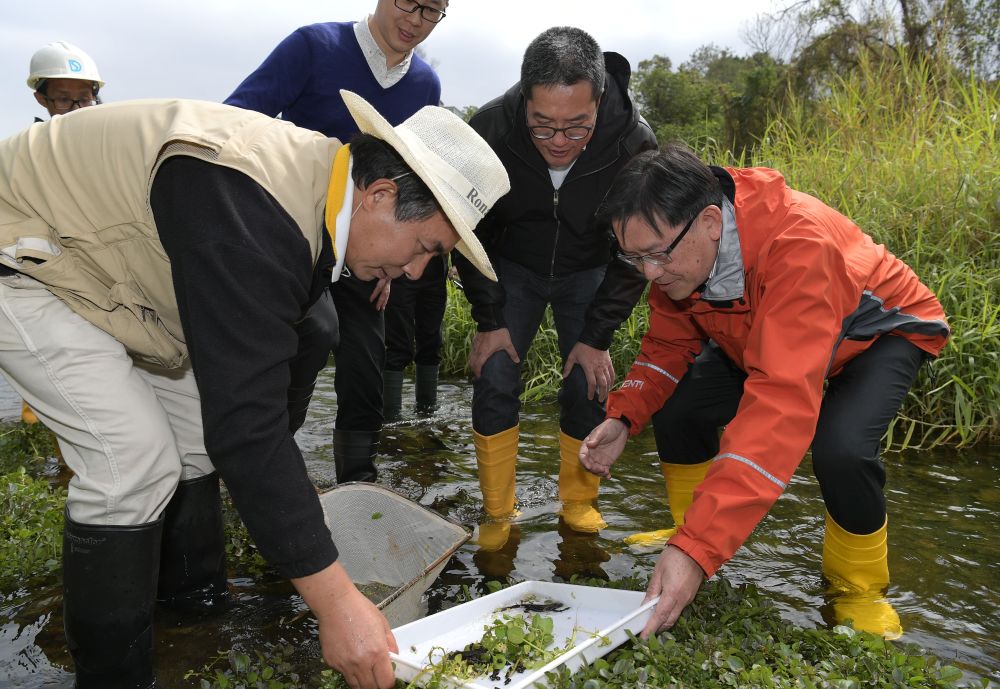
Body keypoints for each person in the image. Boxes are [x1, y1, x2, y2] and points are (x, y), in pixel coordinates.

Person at [0, 91, 508, 689]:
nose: (418, 273)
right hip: (27, 254)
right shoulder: (252, 210)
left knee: (193, 439)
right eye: (424, 249)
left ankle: (192, 617)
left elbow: (253, 404)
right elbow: (249, 428)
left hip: (115, 275)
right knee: (131, 464)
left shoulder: (315, 196)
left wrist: (278, 486)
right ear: (379, 196)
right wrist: (337, 604)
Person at [579, 144, 949, 641]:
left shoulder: (800, 245)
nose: (649, 273)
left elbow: (778, 405)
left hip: (876, 333)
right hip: (765, 334)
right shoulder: (682, 260)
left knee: (842, 450)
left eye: (658, 254)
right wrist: (622, 418)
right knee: (680, 407)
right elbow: (666, 345)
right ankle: (687, 529)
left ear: (711, 221)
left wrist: (699, 549)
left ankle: (859, 589)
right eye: (635, 257)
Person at [225, 0, 449, 482]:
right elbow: (236, 120)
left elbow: (417, 182)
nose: (415, 20)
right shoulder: (314, 46)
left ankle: (358, 481)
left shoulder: (425, 86)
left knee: (367, 363)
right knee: (313, 332)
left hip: (367, 248)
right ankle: (265, 462)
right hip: (293, 236)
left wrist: (390, 259)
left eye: (432, 11)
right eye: (408, 3)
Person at [451, 26, 657, 548]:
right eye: (543, 127)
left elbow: (637, 250)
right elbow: (465, 229)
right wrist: (489, 320)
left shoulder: (633, 140)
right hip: (511, 265)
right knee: (496, 372)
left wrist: (599, 334)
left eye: (576, 128)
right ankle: (498, 511)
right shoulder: (491, 129)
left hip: (589, 267)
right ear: (524, 102)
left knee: (587, 379)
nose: (559, 143)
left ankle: (580, 503)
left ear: (600, 100)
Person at [18, 41, 105, 425]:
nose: (76, 108)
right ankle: (42, 434)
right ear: (42, 99)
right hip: (53, 272)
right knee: (52, 379)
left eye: (85, 99)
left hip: (101, 272)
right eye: (64, 99)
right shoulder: (29, 152)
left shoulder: (107, 143)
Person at [383, 254, 449, 418]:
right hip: (399, 270)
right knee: (398, 346)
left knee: (431, 344)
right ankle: (390, 419)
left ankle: (427, 413)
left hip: (436, 272)